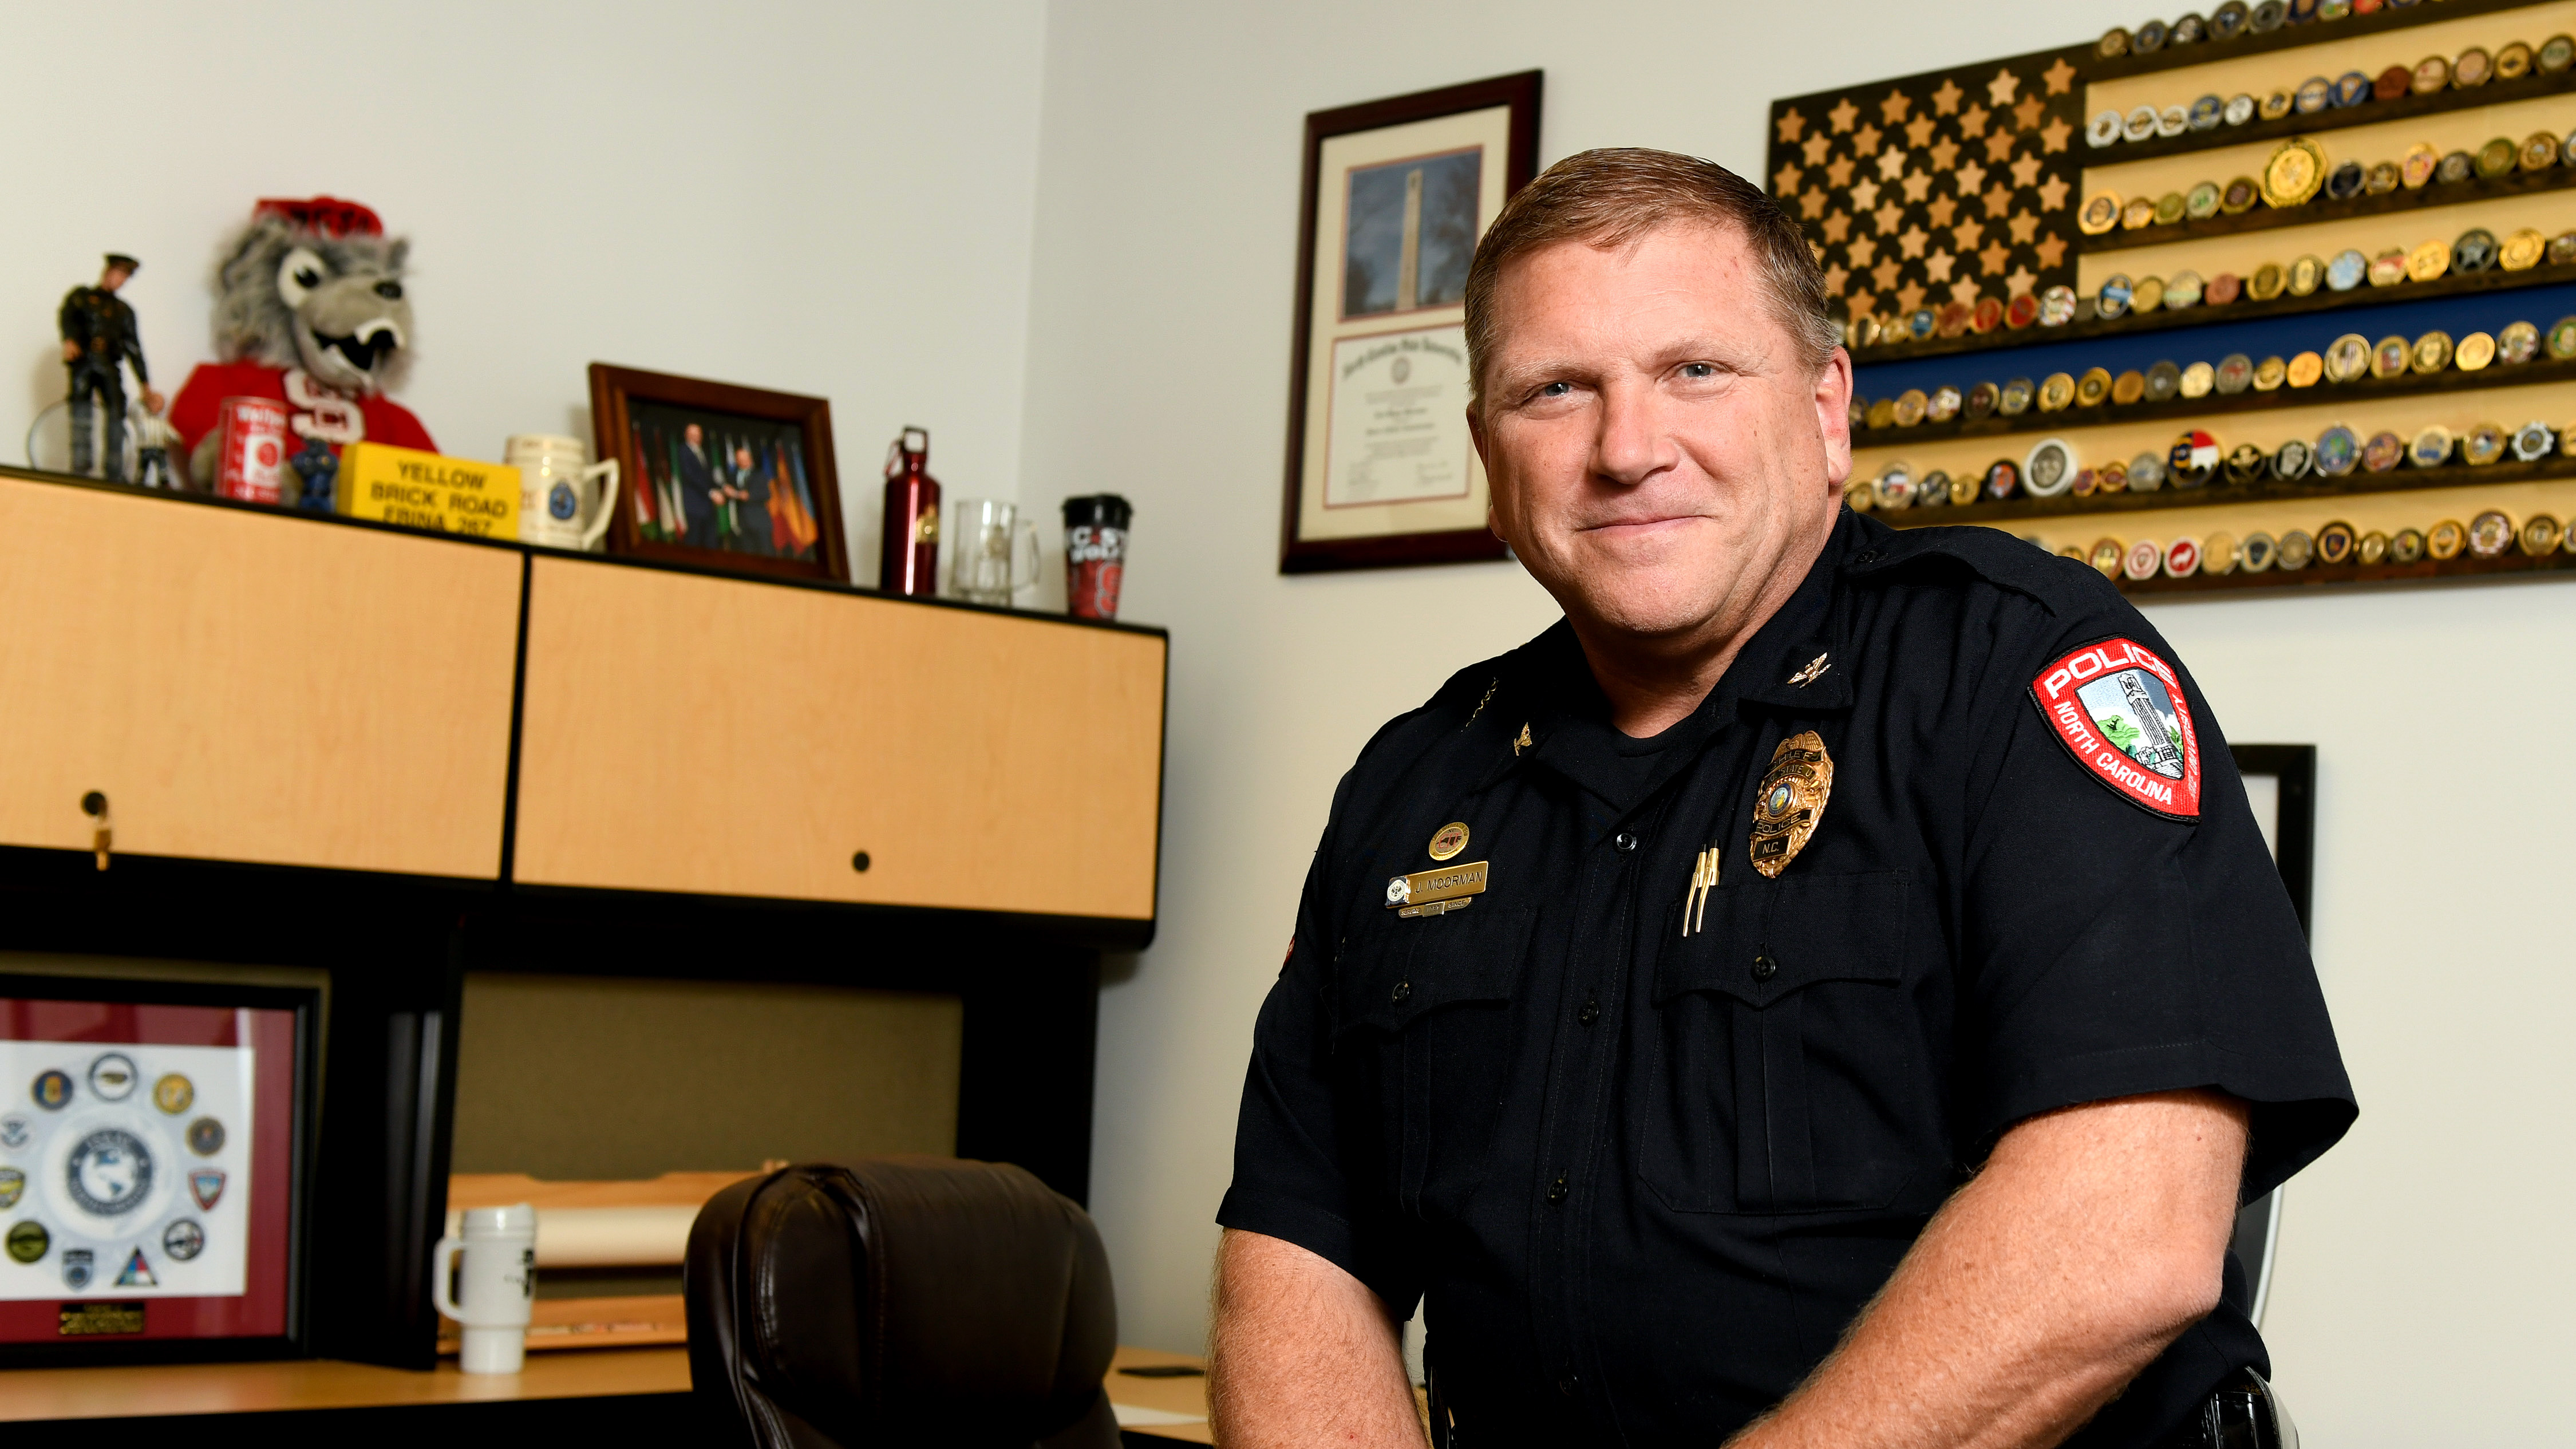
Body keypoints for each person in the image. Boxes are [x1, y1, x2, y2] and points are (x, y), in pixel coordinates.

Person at [1210, 149, 2353, 1449]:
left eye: (1693, 370)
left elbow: (2125, 1232)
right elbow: (1297, 1257)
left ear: (1823, 412)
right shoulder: (1415, 781)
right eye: (1553, 390)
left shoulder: (2007, 671)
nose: (1626, 448)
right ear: (1485, 451)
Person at [59, 254, 161, 480]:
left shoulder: (124, 311)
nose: (121, 280)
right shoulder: (82, 297)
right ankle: (80, 466)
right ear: (108, 272)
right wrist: (69, 340)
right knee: (80, 411)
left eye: (125, 277)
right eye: (119, 274)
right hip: (84, 363)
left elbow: (134, 348)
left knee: (116, 412)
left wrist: (145, 385)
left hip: (108, 366)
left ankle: (114, 472)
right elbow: (67, 317)